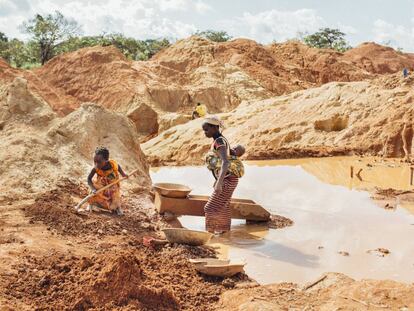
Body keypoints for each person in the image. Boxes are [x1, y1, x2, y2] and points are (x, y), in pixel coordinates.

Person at [202, 115, 240, 234]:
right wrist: (218, 179)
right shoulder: (221, 140)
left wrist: (219, 183)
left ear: (214, 127)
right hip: (229, 179)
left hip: (227, 180)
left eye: (206, 129)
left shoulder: (219, 142)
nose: (205, 133)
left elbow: (225, 162)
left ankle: (210, 234)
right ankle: (225, 234)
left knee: (209, 208)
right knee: (224, 207)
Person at [87, 147, 128, 215]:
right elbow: (89, 179)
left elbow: (118, 167)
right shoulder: (96, 168)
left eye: (99, 162)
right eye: (95, 161)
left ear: (106, 160)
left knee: (115, 195)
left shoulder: (112, 164)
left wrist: (123, 174)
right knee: (94, 189)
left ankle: (117, 208)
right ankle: (93, 204)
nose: (96, 164)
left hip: (112, 184)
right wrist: (93, 189)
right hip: (102, 184)